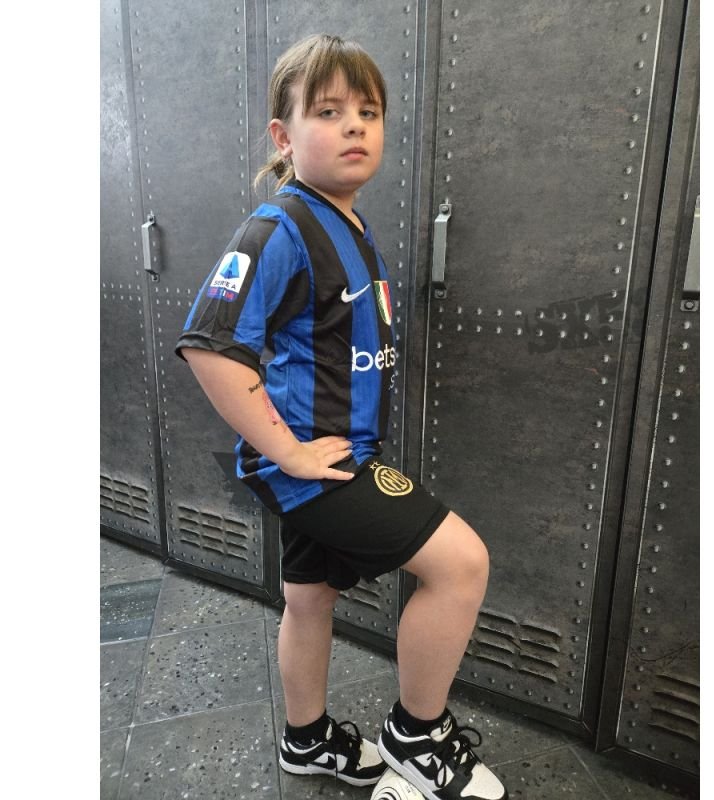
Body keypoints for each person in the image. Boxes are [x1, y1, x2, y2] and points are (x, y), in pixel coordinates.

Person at [175, 33, 507, 800]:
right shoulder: (279, 228)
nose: (354, 124)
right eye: (328, 111)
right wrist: (290, 454)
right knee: (461, 565)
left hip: (332, 454)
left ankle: (307, 739)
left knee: (309, 597)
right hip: (318, 465)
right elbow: (212, 348)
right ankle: (417, 735)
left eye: (369, 111)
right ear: (284, 137)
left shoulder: (346, 225)